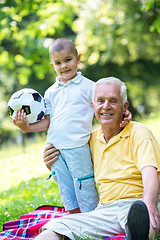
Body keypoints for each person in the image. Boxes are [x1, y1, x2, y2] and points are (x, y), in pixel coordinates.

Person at [13, 38, 131, 214]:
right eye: (58, 63)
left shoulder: (89, 87)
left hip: (78, 147)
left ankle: (91, 217)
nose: (64, 66)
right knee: (65, 187)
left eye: (68, 60)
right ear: (52, 65)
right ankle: (74, 218)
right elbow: (48, 121)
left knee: (84, 184)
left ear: (78, 59)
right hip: (54, 148)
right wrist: (27, 127)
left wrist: (122, 114)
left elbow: (103, 110)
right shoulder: (50, 92)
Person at [35, 77, 160, 240]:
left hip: (138, 203)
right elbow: (77, 169)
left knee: (143, 222)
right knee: (55, 227)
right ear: (93, 105)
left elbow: (150, 172)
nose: (106, 106)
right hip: (104, 211)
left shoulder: (139, 132)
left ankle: (137, 234)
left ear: (125, 106)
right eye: (100, 101)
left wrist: (149, 205)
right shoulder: (88, 140)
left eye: (113, 101)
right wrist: (53, 164)